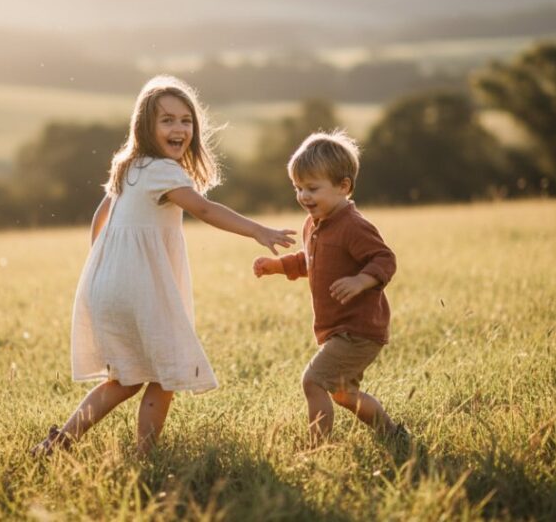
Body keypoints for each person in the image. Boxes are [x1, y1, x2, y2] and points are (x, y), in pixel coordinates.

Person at [31, 75, 296, 457]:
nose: (179, 128)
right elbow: (204, 208)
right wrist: (257, 230)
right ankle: (145, 454)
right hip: (140, 289)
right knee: (164, 373)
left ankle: (57, 442)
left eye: (186, 120)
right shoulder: (164, 172)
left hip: (108, 284)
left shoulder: (129, 166)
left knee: (123, 380)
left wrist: (102, 263)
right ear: (145, 126)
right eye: (167, 120)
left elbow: (100, 216)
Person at [252, 130, 409, 451]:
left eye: (312, 188)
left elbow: (384, 258)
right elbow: (310, 260)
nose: (303, 196)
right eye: (298, 188)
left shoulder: (353, 225)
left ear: (343, 186)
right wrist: (277, 266)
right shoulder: (315, 222)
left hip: (359, 329)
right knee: (344, 395)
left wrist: (361, 281)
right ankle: (393, 434)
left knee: (313, 382)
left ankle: (317, 449)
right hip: (338, 328)